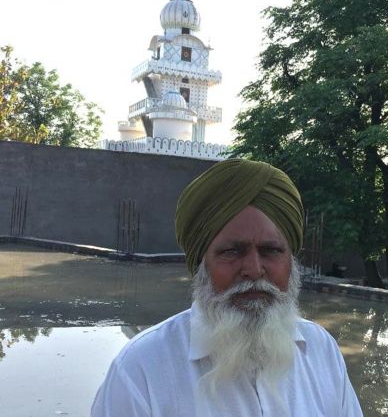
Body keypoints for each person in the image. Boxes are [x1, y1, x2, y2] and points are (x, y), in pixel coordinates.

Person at [91, 159, 363, 417]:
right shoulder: (141, 369)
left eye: (271, 251)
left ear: (290, 261)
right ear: (201, 264)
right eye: (232, 251)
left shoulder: (320, 350)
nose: (254, 270)